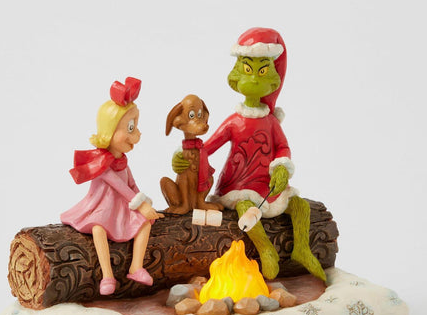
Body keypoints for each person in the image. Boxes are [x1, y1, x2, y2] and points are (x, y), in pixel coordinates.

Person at [174, 28, 326, 281]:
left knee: (300, 205)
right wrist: (184, 156)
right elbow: (207, 147)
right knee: (245, 207)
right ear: (236, 76)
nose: (254, 78)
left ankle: (302, 248)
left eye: (262, 71)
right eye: (248, 70)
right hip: (240, 184)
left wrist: (281, 167)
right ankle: (266, 249)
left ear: (273, 78)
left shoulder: (271, 122)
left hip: (268, 183)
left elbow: (282, 147)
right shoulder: (234, 121)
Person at [61, 77, 163, 295]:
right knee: (98, 229)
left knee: (145, 224)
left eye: (135, 126)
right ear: (110, 131)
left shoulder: (123, 161)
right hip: (102, 208)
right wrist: (140, 204)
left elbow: (131, 184)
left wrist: (144, 203)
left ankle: (136, 267)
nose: (137, 133)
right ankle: (107, 275)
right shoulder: (103, 163)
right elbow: (120, 187)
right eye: (130, 127)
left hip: (123, 208)